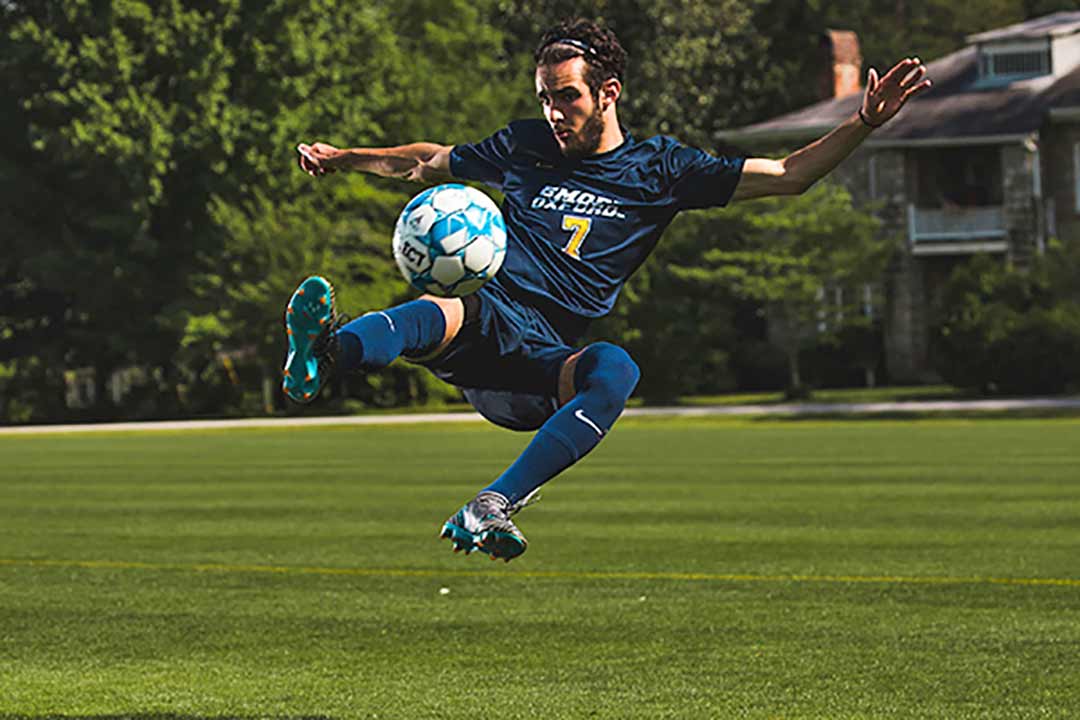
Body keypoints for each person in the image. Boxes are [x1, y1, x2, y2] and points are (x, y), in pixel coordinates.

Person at [284, 19, 931, 562]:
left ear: (608, 92)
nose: (552, 111)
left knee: (614, 368)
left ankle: (492, 505)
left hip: (538, 364)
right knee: (443, 307)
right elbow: (423, 162)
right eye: (544, 97)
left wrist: (864, 123)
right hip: (485, 318)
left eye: (565, 96)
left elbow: (789, 175)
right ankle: (327, 353)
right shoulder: (526, 144)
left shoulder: (663, 170)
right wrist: (347, 158)